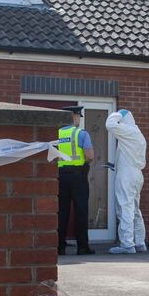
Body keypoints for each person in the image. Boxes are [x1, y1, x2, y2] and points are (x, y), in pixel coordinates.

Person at [105, 109, 147, 254]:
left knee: (125, 208)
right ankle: (140, 242)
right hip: (136, 174)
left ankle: (127, 244)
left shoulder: (129, 131)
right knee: (134, 209)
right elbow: (128, 155)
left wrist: (118, 114)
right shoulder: (138, 135)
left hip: (127, 175)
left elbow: (110, 125)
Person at [57, 105, 95, 256]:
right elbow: (90, 156)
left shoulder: (57, 133)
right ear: (74, 116)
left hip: (61, 175)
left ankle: (60, 246)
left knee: (61, 211)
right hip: (78, 176)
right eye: (78, 116)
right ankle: (82, 247)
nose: (79, 119)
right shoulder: (81, 133)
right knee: (81, 211)